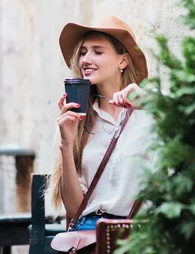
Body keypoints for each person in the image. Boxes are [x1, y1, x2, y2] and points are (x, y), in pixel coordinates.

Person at [48, 16, 154, 232]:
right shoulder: (75, 120)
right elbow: (75, 209)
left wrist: (151, 104)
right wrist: (66, 145)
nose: (86, 59)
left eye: (97, 51)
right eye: (83, 52)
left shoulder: (152, 108)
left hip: (143, 233)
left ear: (122, 61)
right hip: (92, 234)